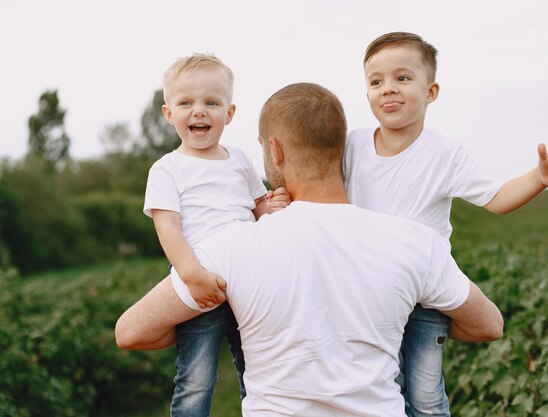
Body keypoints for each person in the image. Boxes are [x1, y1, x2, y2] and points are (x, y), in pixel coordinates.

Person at [116, 82, 504, 417]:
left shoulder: (229, 246)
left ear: (276, 151)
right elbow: (488, 325)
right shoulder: (416, 243)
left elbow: (131, 332)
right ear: (340, 148)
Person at [343, 31, 548, 417]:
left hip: (426, 295)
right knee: (381, 391)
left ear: (431, 91)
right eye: (376, 81)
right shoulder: (352, 146)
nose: (388, 89)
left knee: (426, 397)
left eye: (402, 78)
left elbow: (496, 199)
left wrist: (539, 178)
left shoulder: (446, 154)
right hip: (369, 296)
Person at [142, 53, 289, 417]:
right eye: (186, 103)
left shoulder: (239, 160)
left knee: (257, 373)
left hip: (249, 282)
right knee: (196, 377)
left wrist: (277, 204)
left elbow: (259, 210)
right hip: (200, 284)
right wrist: (193, 276)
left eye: (212, 102)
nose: (199, 111)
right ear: (168, 113)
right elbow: (168, 228)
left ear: (230, 112)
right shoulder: (167, 169)